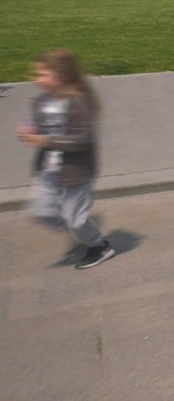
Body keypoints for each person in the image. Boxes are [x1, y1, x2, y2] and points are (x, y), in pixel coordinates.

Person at [16, 49, 115, 269]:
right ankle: (75, 227)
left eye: (42, 74)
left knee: (77, 220)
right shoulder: (41, 101)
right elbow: (41, 127)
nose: (37, 79)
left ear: (63, 77)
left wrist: (45, 141)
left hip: (76, 172)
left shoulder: (79, 102)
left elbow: (82, 140)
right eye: (37, 74)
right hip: (48, 169)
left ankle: (99, 246)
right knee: (41, 212)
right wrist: (29, 131)